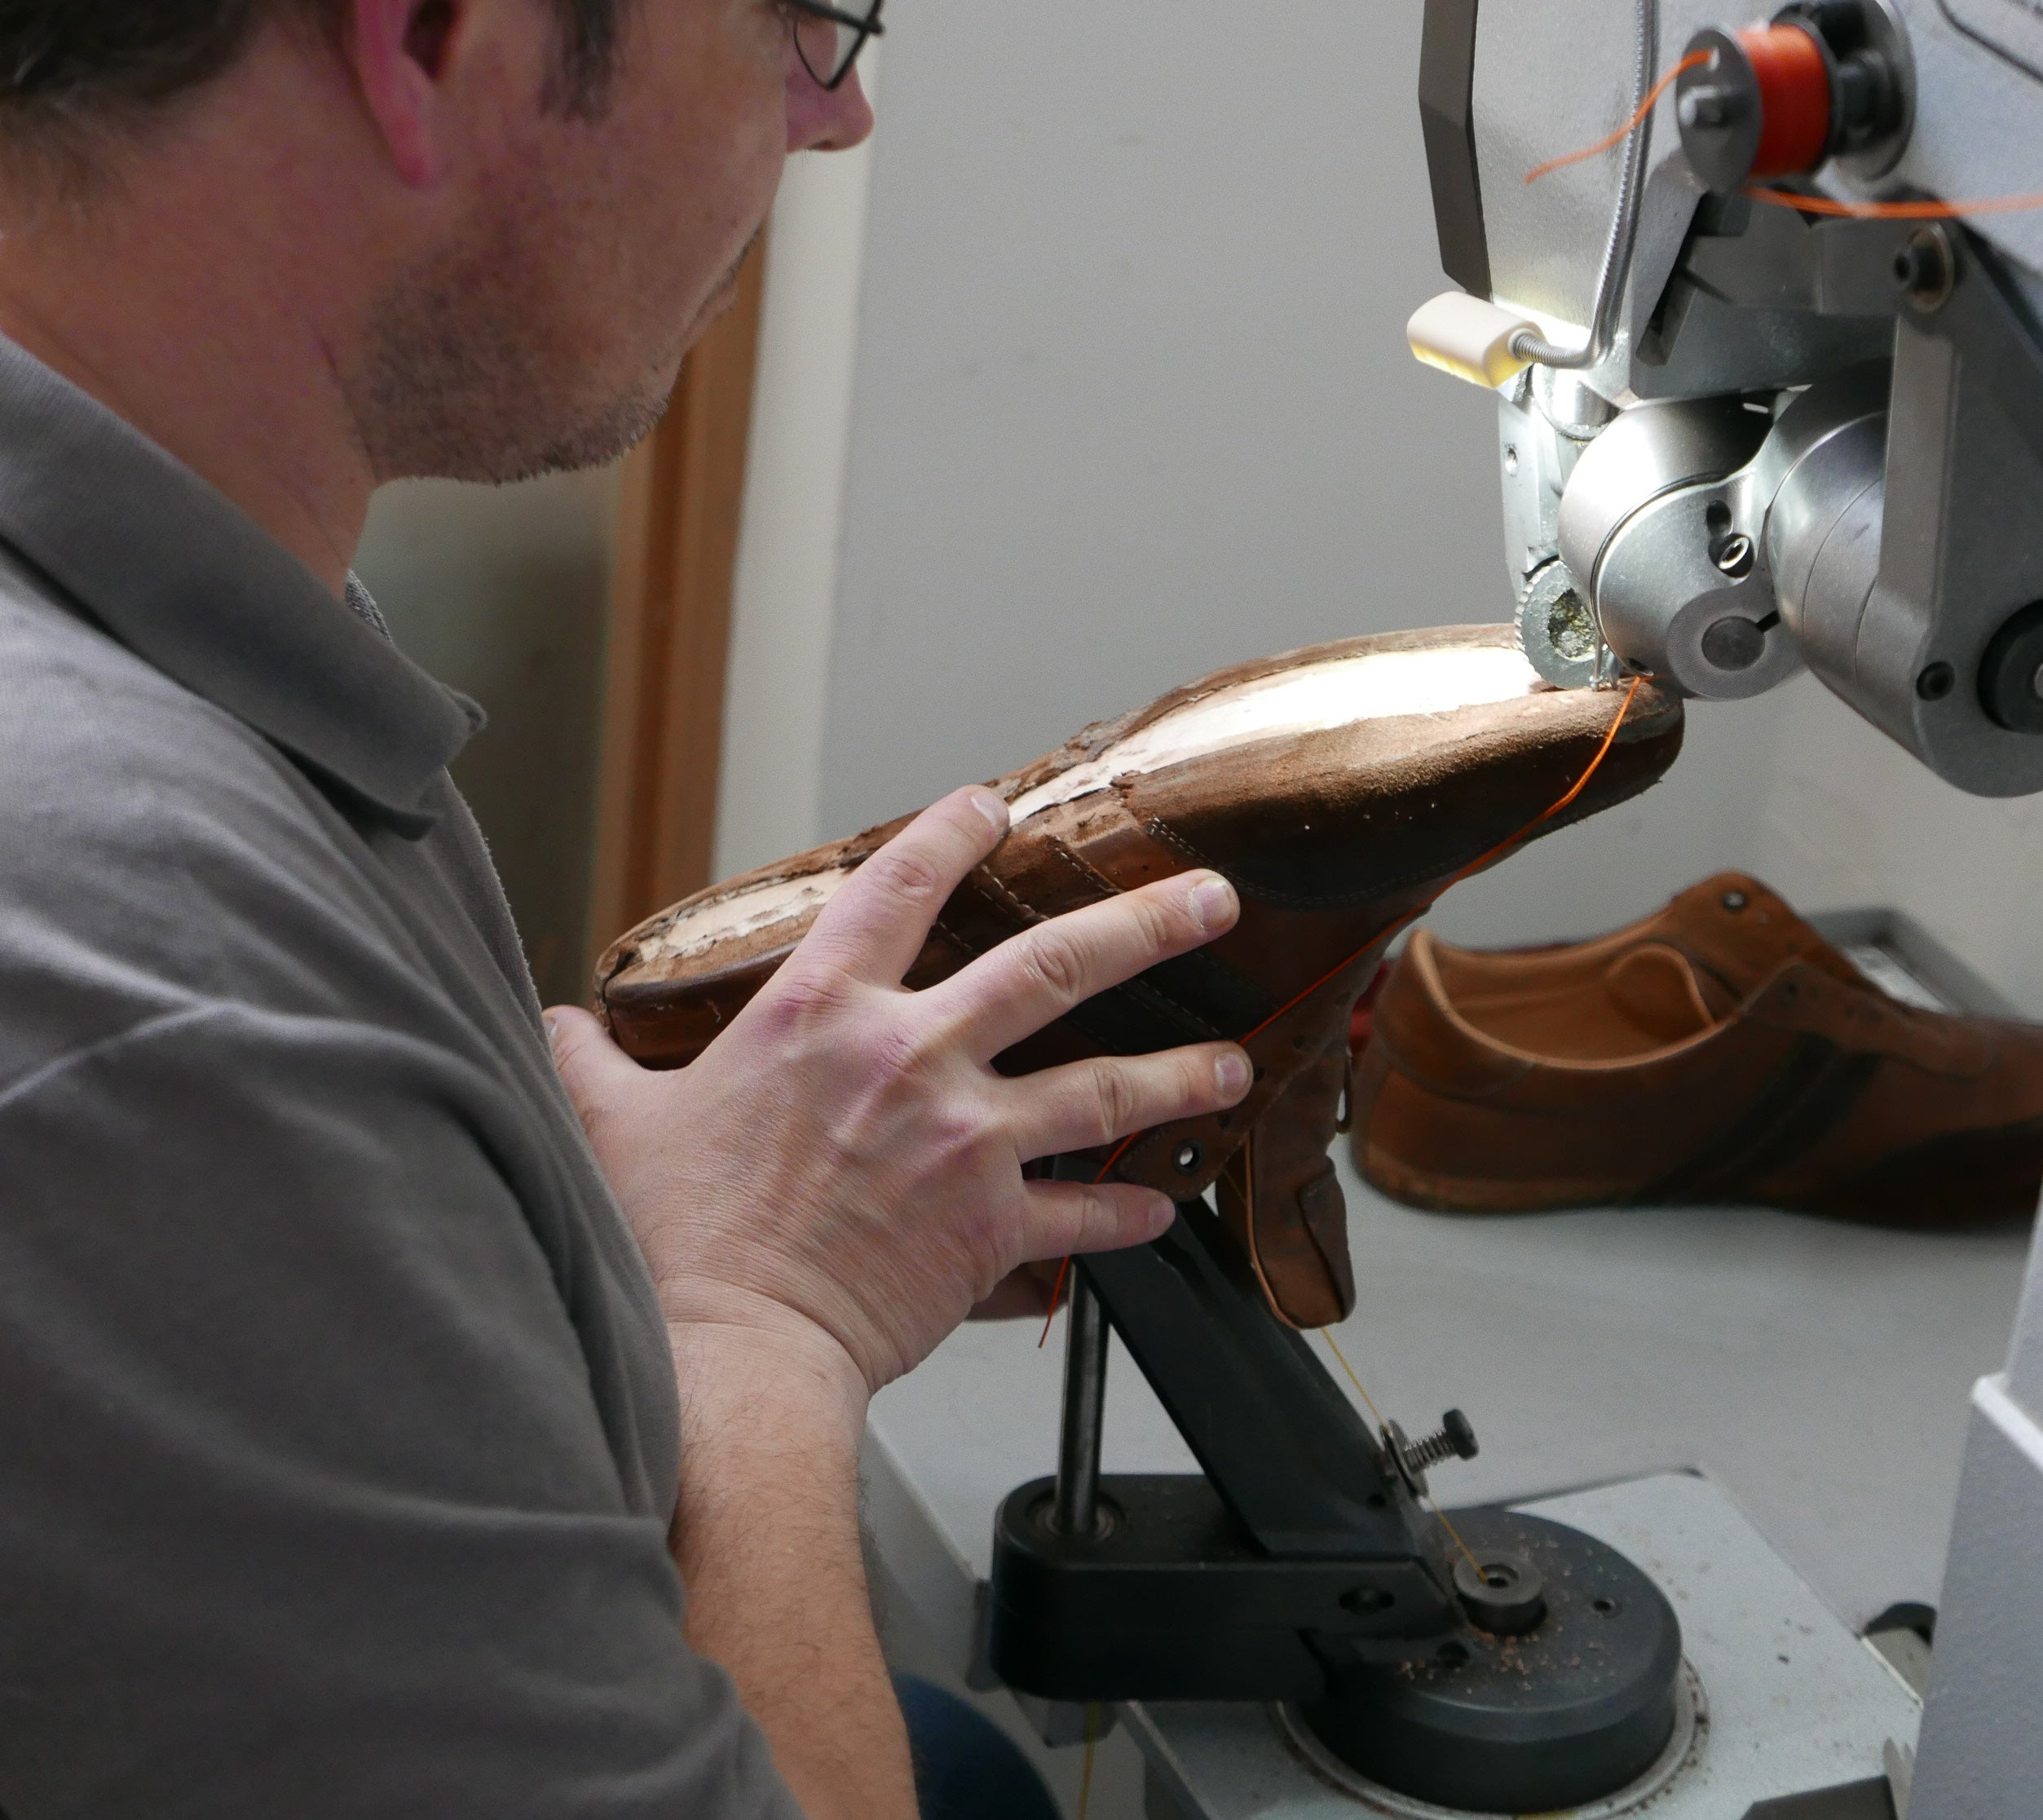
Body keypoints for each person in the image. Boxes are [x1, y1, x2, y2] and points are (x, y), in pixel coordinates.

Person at [0, 2, 1253, 1815]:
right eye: (799, 18)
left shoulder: (194, 586)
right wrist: (758, 1321)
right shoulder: (152, 1003)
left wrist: (561, 1227)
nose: (837, 117)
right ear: (428, 39)